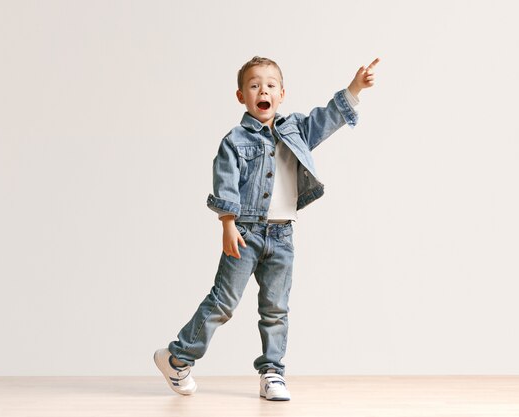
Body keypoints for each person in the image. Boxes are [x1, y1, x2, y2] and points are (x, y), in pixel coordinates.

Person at [154, 55, 380, 401]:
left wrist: (354, 89)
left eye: (271, 85)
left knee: (275, 309)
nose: (264, 90)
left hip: (283, 234)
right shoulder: (234, 141)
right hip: (245, 232)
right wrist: (228, 225)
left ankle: (272, 372)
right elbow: (225, 184)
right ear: (241, 96)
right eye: (255, 85)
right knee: (223, 302)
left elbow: (328, 117)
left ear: (282, 94)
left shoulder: (296, 130)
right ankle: (177, 357)